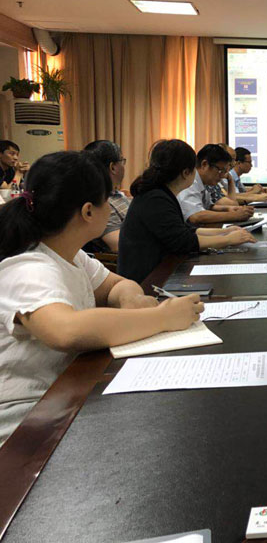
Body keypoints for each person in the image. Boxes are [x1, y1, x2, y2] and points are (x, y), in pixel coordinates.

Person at [0, 151, 204, 446]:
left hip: (69, 391)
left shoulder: (71, 254)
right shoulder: (28, 267)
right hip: (27, 421)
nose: (111, 208)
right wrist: (162, 317)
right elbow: (66, 331)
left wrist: (130, 300)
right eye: (107, 200)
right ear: (88, 212)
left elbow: (116, 285)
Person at [119, 140, 256, 283]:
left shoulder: (161, 193)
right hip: (148, 279)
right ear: (186, 172)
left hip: (160, 270)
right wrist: (228, 239)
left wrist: (225, 232)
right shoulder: (155, 198)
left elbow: (185, 230)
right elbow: (183, 241)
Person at [176, 143, 254, 225]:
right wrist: (234, 215)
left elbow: (209, 207)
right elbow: (195, 216)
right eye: (220, 170)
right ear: (204, 164)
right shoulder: (190, 182)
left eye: (224, 172)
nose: (222, 176)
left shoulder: (203, 183)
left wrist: (230, 209)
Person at [82, 139, 130, 252]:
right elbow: (119, 245)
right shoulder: (101, 202)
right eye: (122, 161)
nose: (124, 166)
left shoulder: (116, 194)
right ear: (112, 167)